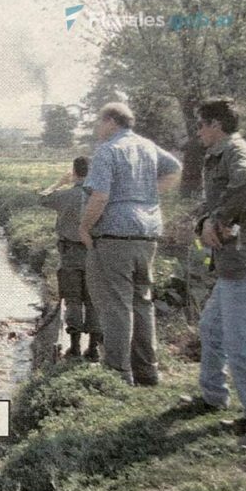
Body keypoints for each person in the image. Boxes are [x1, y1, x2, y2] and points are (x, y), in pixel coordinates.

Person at [79, 102, 182, 386]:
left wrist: (84, 227)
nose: (97, 128)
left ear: (111, 121)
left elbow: (99, 197)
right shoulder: (147, 146)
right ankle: (147, 371)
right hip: (147, 233)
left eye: (99, 121)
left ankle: (118, 373)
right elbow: (175, 169)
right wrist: (147, 194)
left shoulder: (107, 151)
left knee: (116, 304)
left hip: (115, 236)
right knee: (142, 302)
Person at [187, 97, 246, 435]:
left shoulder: (236, 151)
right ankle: (213, 397)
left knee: (239, 344)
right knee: (211, 329)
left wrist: (219, 218)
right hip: (230, 262)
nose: (197, 131)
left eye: (200, 124)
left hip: (242, 262)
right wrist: (207, 221)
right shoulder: (218, 156)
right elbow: (212, 200)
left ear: (216, 124)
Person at [39, 156, 101, 360]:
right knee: (93, 300)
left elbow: (42, 197)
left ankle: (74, 347)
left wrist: (59, 182)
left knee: (73, 300)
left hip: (71, 254)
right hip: (95, 252)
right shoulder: (101, 197)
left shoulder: (65, 196)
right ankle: (93, 349)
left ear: (74, 172)